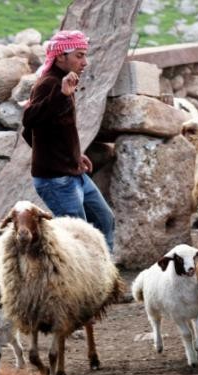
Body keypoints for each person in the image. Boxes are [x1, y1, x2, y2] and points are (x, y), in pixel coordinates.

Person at [21, 30, 115, 253]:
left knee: (104, 222)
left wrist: (73, 155)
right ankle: (83, 285)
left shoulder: (64, 82)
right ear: (61, 56)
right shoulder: (49, 84)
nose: (85, 62)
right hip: (56, 181)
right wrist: (60, 95)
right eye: (79, 55)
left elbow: (48, 129)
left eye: (84, 55)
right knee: (77, 238)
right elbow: (29, 120)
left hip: (74, 174)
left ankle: (103, 277)